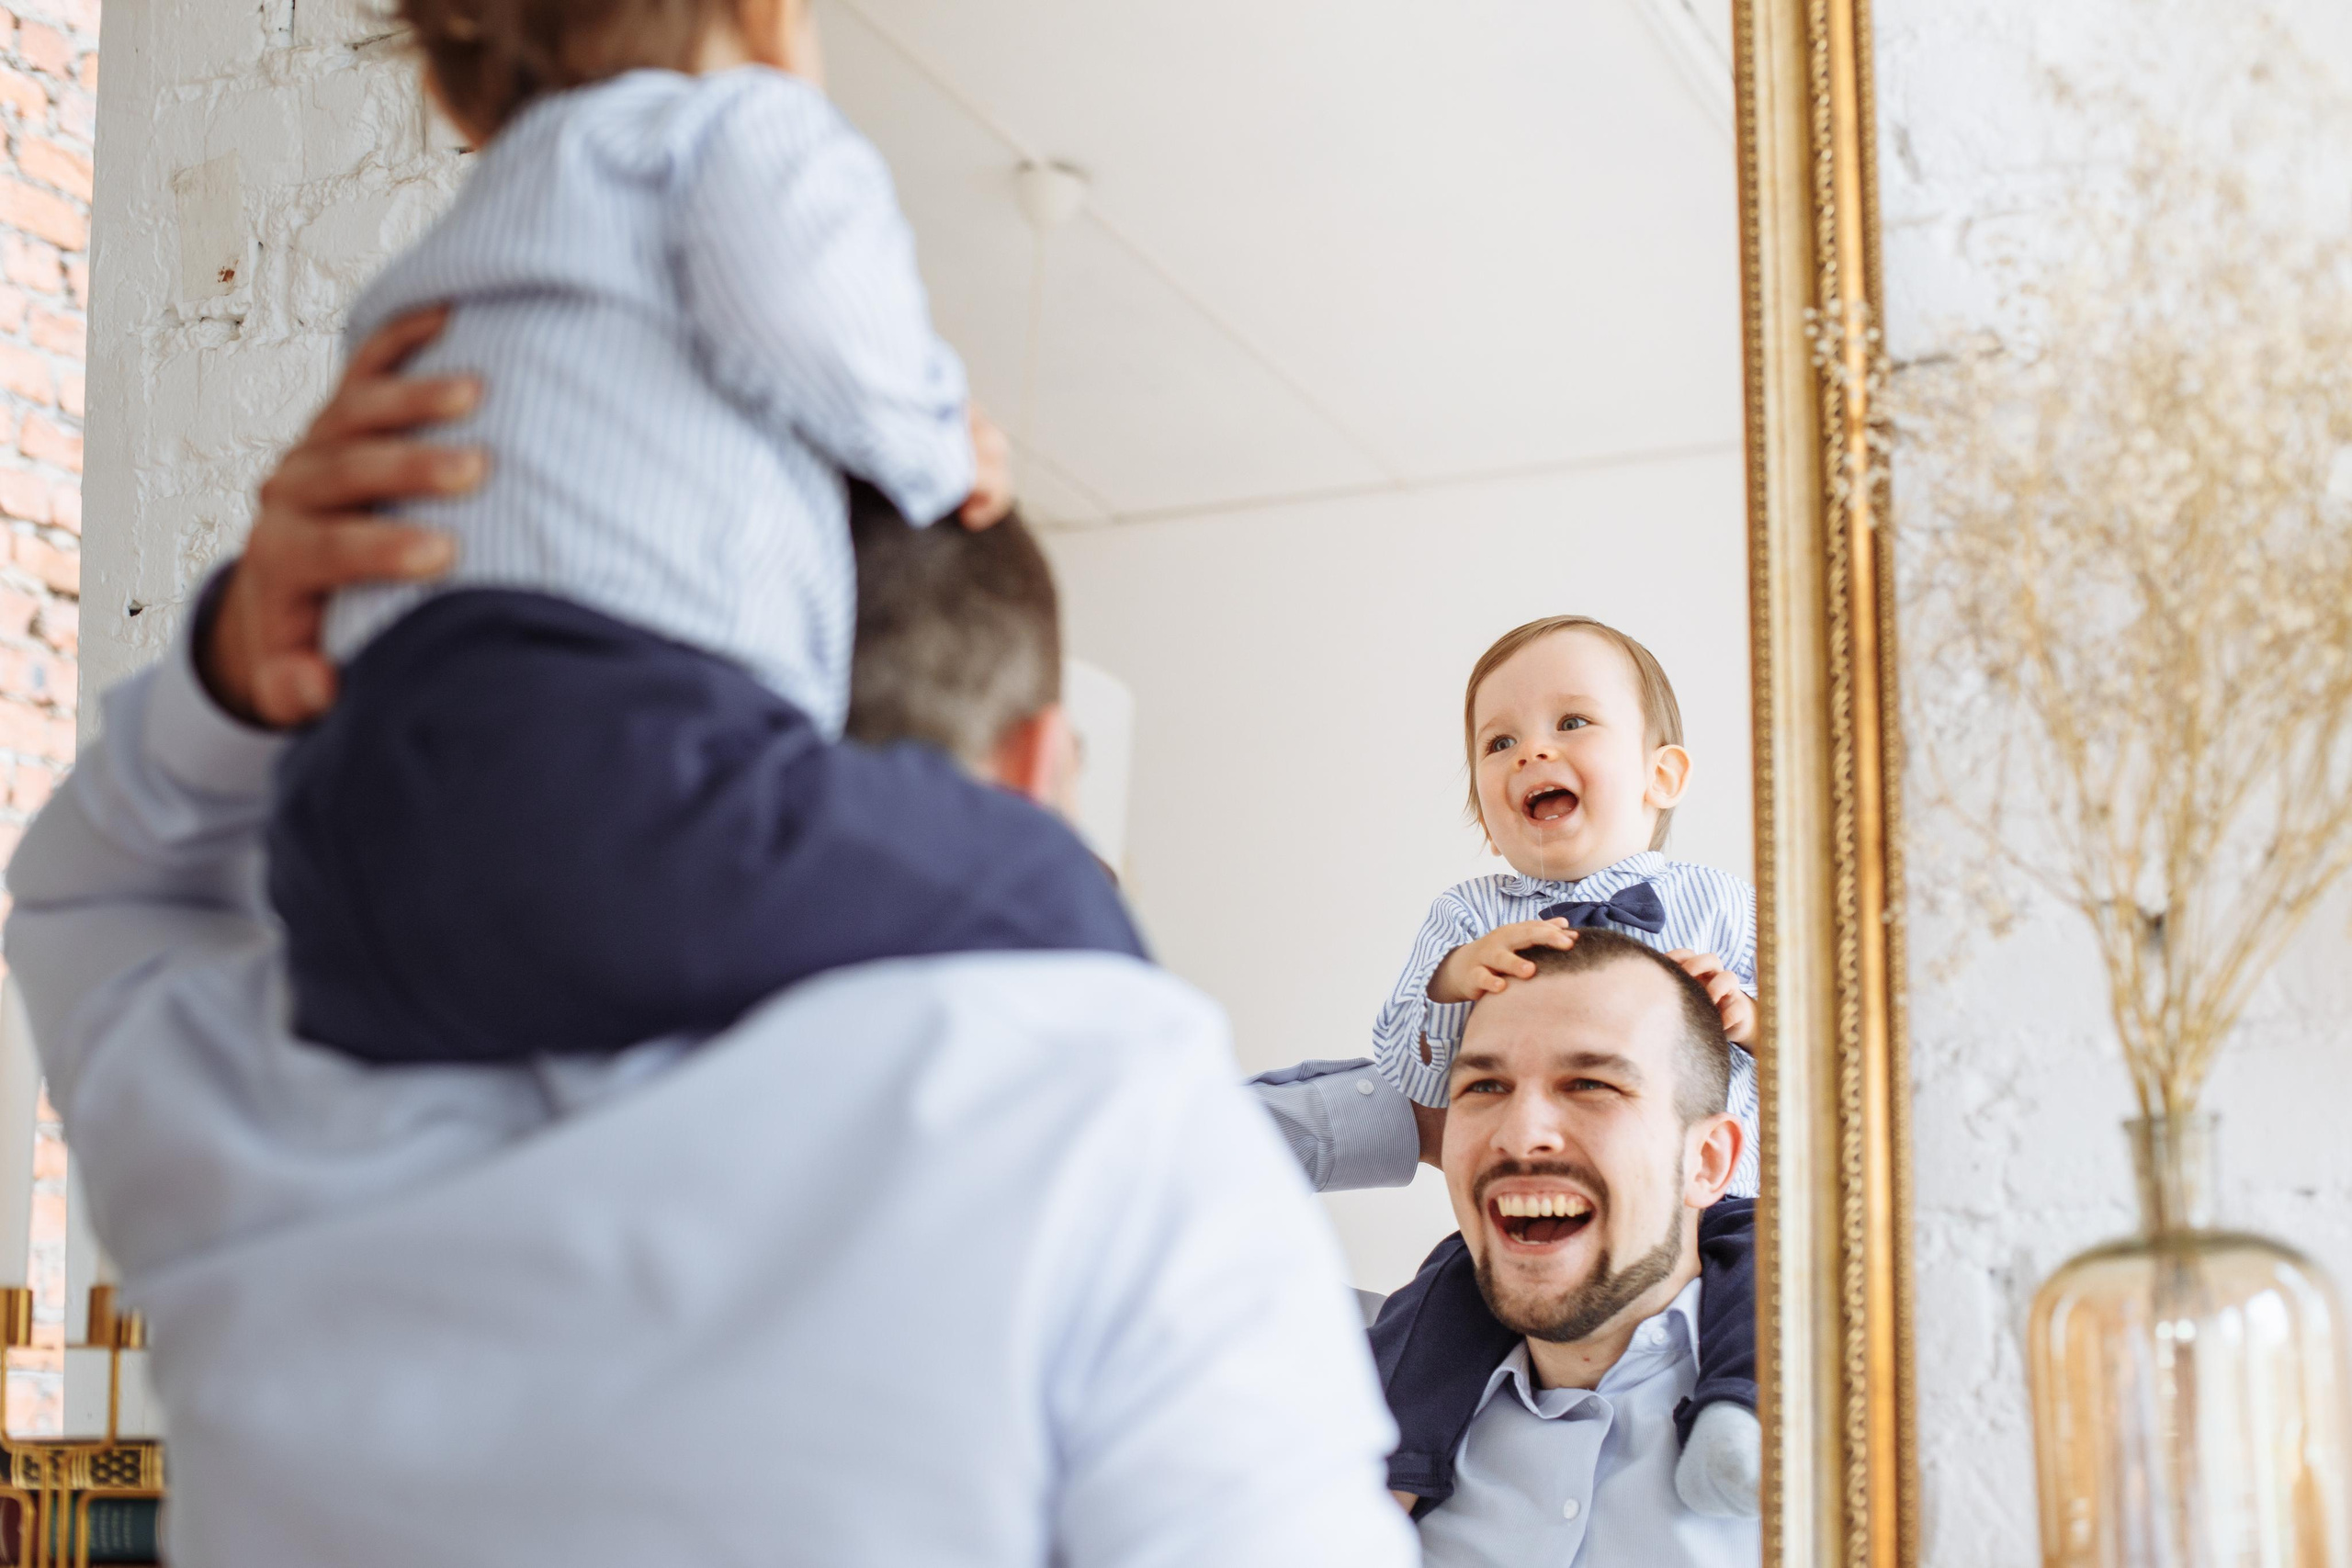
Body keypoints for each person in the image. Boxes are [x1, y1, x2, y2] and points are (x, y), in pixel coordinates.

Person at [1, 323, 1416, 1568]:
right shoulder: (1123, 1132)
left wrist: (251, 641)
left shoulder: (280, 1094)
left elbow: (84, 894)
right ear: (1046, 764)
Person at [264, 0, 1144, 1068]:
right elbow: (815, 315)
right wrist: (942, 440)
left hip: (350, 854)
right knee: (1045, 881)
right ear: (769, 14)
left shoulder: (443, 264)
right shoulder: (742, 125)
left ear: (457, 89)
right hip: (607, 763)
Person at [1251, 616, 1763, 1512]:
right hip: (1499, 1247)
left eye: (1571, 724)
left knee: (1768, 1284)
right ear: (1486, 822)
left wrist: (1751, 1019)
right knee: (1438, 1302)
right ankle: (1402, 1474)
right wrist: (1452, 984)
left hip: (1727, 1207)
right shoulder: (1467, 914)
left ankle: (1734, 1418)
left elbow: (1832, 1059)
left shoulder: (1721, 904)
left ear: (1662, 775)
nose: (1532, 753)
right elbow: (1404, 1065)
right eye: (1499, 743)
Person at [1377, 931, 1758, 1565]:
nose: (1521, 1136)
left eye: (1590, 1084)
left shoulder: (1852, 1439)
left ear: (1707, 1160)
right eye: (1484, 1087)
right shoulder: (1345, 1434)